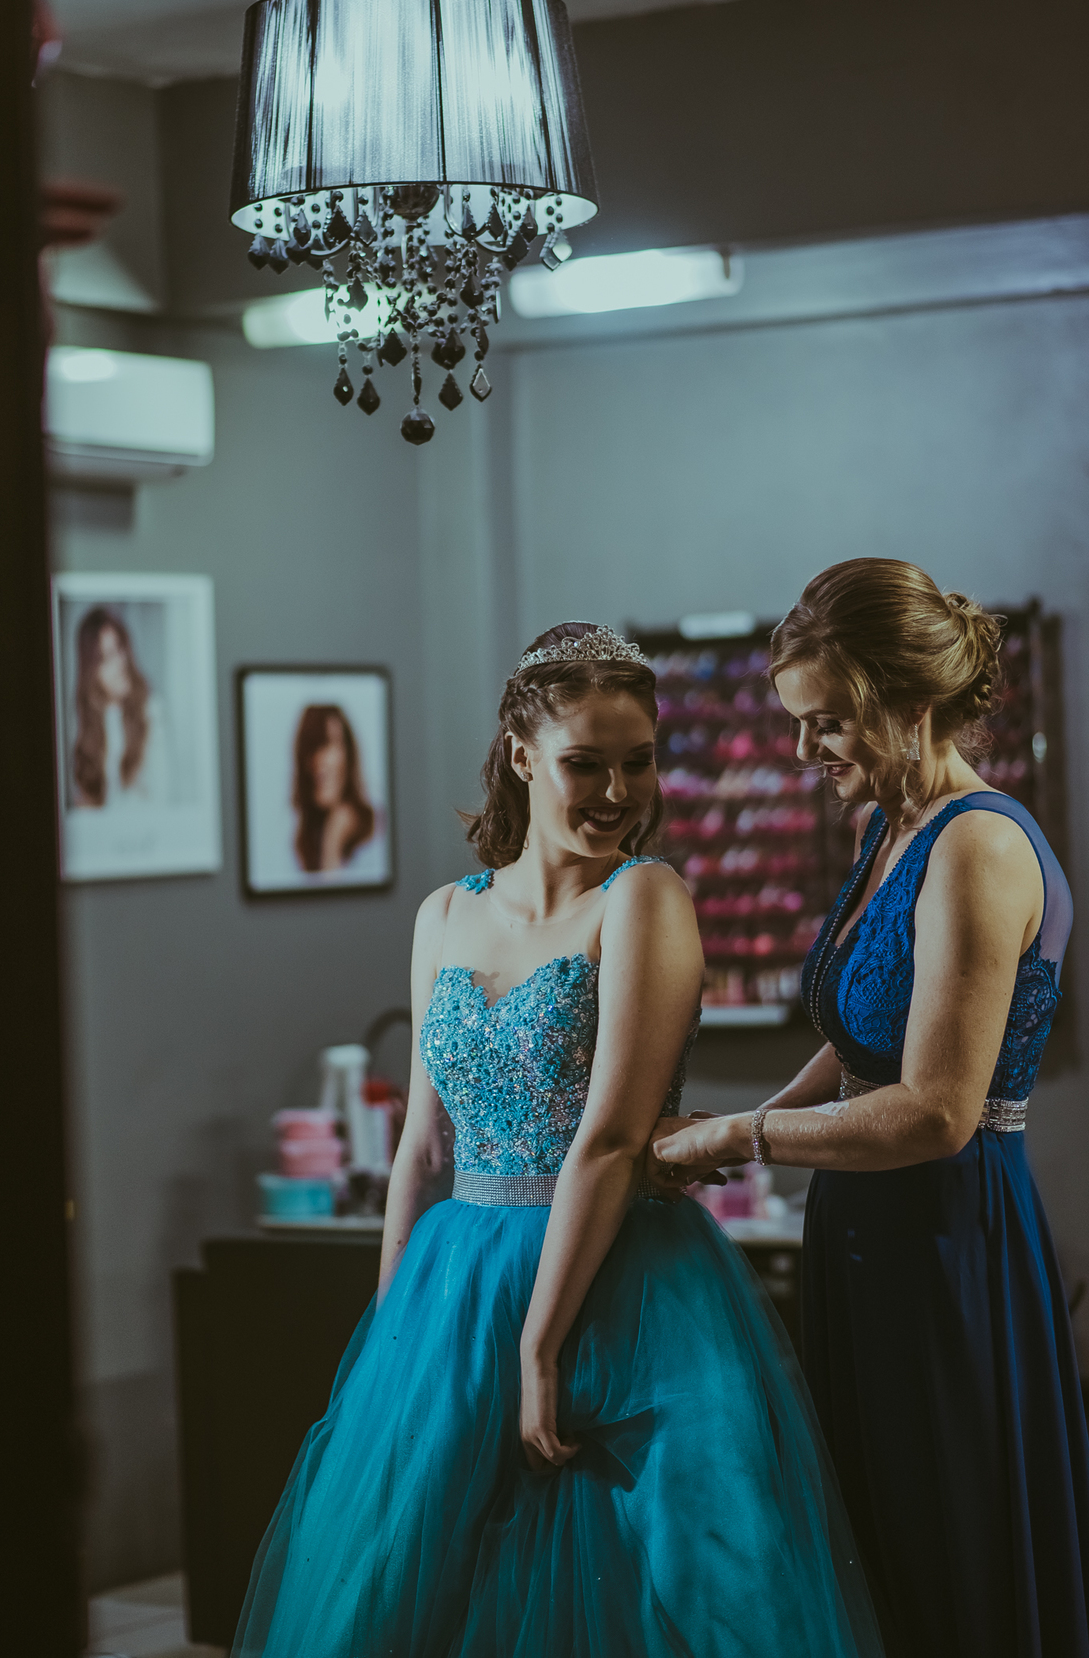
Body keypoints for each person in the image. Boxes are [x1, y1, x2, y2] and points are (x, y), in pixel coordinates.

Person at [234, 622, 884, 1658]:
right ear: (521, 754)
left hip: (620, 1284)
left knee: (654, 1585)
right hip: (457, 1285)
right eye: (587, 762)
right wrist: (392, 1340)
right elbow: (423, 1149)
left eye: (639, 762)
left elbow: (612, 1138)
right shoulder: (444, 915)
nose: (618, 792)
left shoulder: (645, 898)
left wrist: (539, 1347)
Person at [649, 559, 1089, 1658]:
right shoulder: (886, 830)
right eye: (797, 722)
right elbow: (860, 1039)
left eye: (829, 720)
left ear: (911, 700)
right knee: (870, 1546)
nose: (805, 750)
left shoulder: (978, 846)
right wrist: (736, 1121)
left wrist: (739, 1136)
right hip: (863, 1225)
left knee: (943, 1547)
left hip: (945, 1236)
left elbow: (936, 1112)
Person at [71, 606, 165, 808]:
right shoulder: (82, 722)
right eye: (107, 657)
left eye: (120, 648)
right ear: (91, 671)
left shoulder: (151, 710)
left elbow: (162, 795)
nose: (121, 661)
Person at [292, 703, 376, 873]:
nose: (319, 761)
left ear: (348, 755)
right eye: (312, 748)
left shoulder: (376, 836)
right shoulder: (302, 840)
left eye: (328, 744)